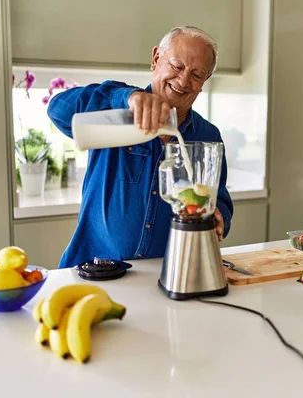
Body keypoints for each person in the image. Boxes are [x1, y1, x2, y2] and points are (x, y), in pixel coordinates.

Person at [47, 26, 234, 268]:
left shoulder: (208, 136)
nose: (183, 80)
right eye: (177, 66)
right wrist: (125, 97)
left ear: (204, 81)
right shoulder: (117, 112)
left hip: (166, 273)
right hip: (92, 269)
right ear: (156, 58)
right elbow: (57, 110)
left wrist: (220, 215)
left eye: (197, 74)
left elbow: (219, 198)